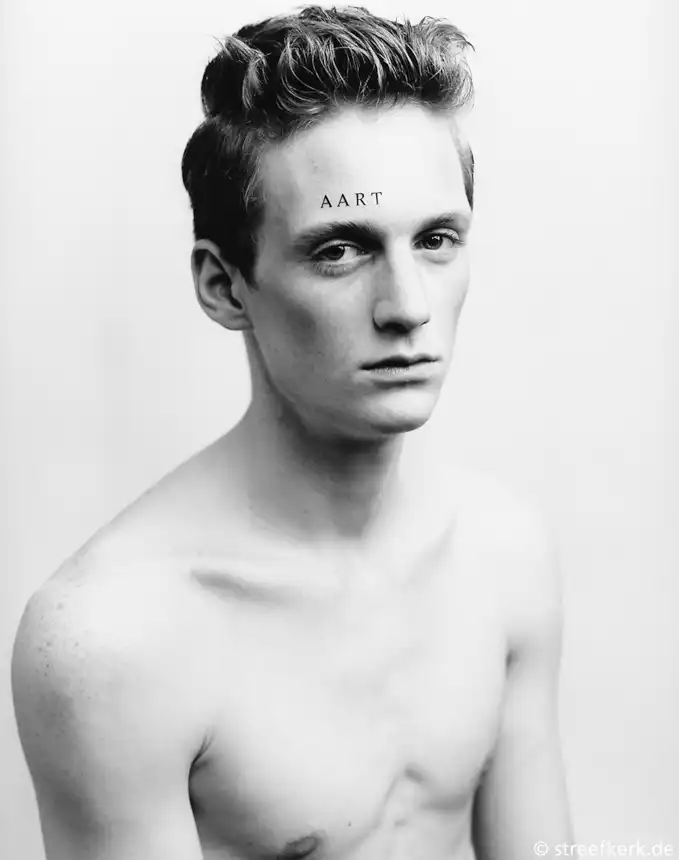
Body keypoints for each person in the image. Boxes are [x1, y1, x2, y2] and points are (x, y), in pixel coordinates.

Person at [11, 5, 572, 859]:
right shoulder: (115, 638)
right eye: (339, 250)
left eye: (435, 239)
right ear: (224, 285)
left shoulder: (504, 554)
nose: (408, 307)